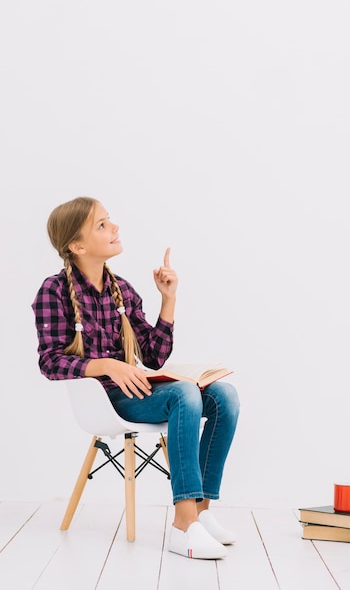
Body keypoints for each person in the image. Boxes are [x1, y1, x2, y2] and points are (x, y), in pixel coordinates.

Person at [32, 196, 240, 559]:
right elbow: (50, 362)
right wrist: (108, 365)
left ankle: (201, 515)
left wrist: (169, 300)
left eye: (109, 220)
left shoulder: (122, 290)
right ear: (77, 245)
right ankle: (183, 523)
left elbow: (154, 356)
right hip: (106, 400)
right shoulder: (54, 291)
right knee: (186, 396)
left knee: (225, 396)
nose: (114, 228)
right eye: (102, 225)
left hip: (141, 390)